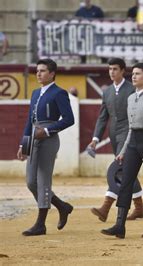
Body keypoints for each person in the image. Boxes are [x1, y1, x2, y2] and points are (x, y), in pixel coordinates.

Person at [101, 62, 143, 239]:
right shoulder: (131, 98)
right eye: (133, 73)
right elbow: (131, 128)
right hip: (132, 144)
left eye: (138, 74)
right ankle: (120, 225)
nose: (134, 76)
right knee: (126, 182)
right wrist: (123, 150)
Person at [16, 59, 75, 236]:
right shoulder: (35, 93)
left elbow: (69, 119)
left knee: (43, 180)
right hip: (34, 137)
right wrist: (23, 144)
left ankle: (40, 224)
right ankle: (62, 206)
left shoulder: (59, 93)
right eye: (37, 71)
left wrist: (48, 130)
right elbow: (30, 121)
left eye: (42, 71)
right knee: (31, 182)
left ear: (52, 73)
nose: (38, 74)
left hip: (48, 139)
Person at [88, 58, 143, 223]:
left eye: (115, 69)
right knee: (126, 171)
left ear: (122, 71)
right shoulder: (106, 92)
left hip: (128, 134)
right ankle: (140, 207)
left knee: (118, 170)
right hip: (114, 135)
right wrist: (95, 139)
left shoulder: (131, 89)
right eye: (110, 69)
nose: (111, 72)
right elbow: (102, 117)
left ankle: (105, 207)